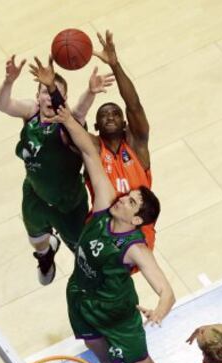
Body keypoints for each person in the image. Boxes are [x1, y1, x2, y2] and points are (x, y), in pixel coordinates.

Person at [47, 105, 175, 363]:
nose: (123, 197)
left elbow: (167, 291)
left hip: (116, 314)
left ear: (137, 218)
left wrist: (158, 312)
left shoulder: (135, 249)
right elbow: (91, 155)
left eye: (130, 201)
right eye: (127, 194)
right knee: (94, 344)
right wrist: (66, 119)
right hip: (81, 295)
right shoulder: (104, 203)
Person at [0, 55, 114, 285]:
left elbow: (78, 113)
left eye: (54, 92)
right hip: (35, 194)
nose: (49, 97)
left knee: (85, 256)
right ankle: (46, 254)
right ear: (38, 96)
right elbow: (1, 104)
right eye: (45, 92)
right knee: (36, 240)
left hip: (68, 205)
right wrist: (9, 81)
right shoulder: (31, 113)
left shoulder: (69, 124)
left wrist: (90, 92)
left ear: (64, 98)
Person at [84, 30, 156, 251]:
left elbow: (134, 105)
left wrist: (115, 64)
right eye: (104, 115)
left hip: (137, 229)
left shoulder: (138, 145)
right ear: (96, 127)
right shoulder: (94, 148)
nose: (110, 116)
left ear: (125, 123)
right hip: (102, 231)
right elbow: (71, 125)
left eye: (115, 113)